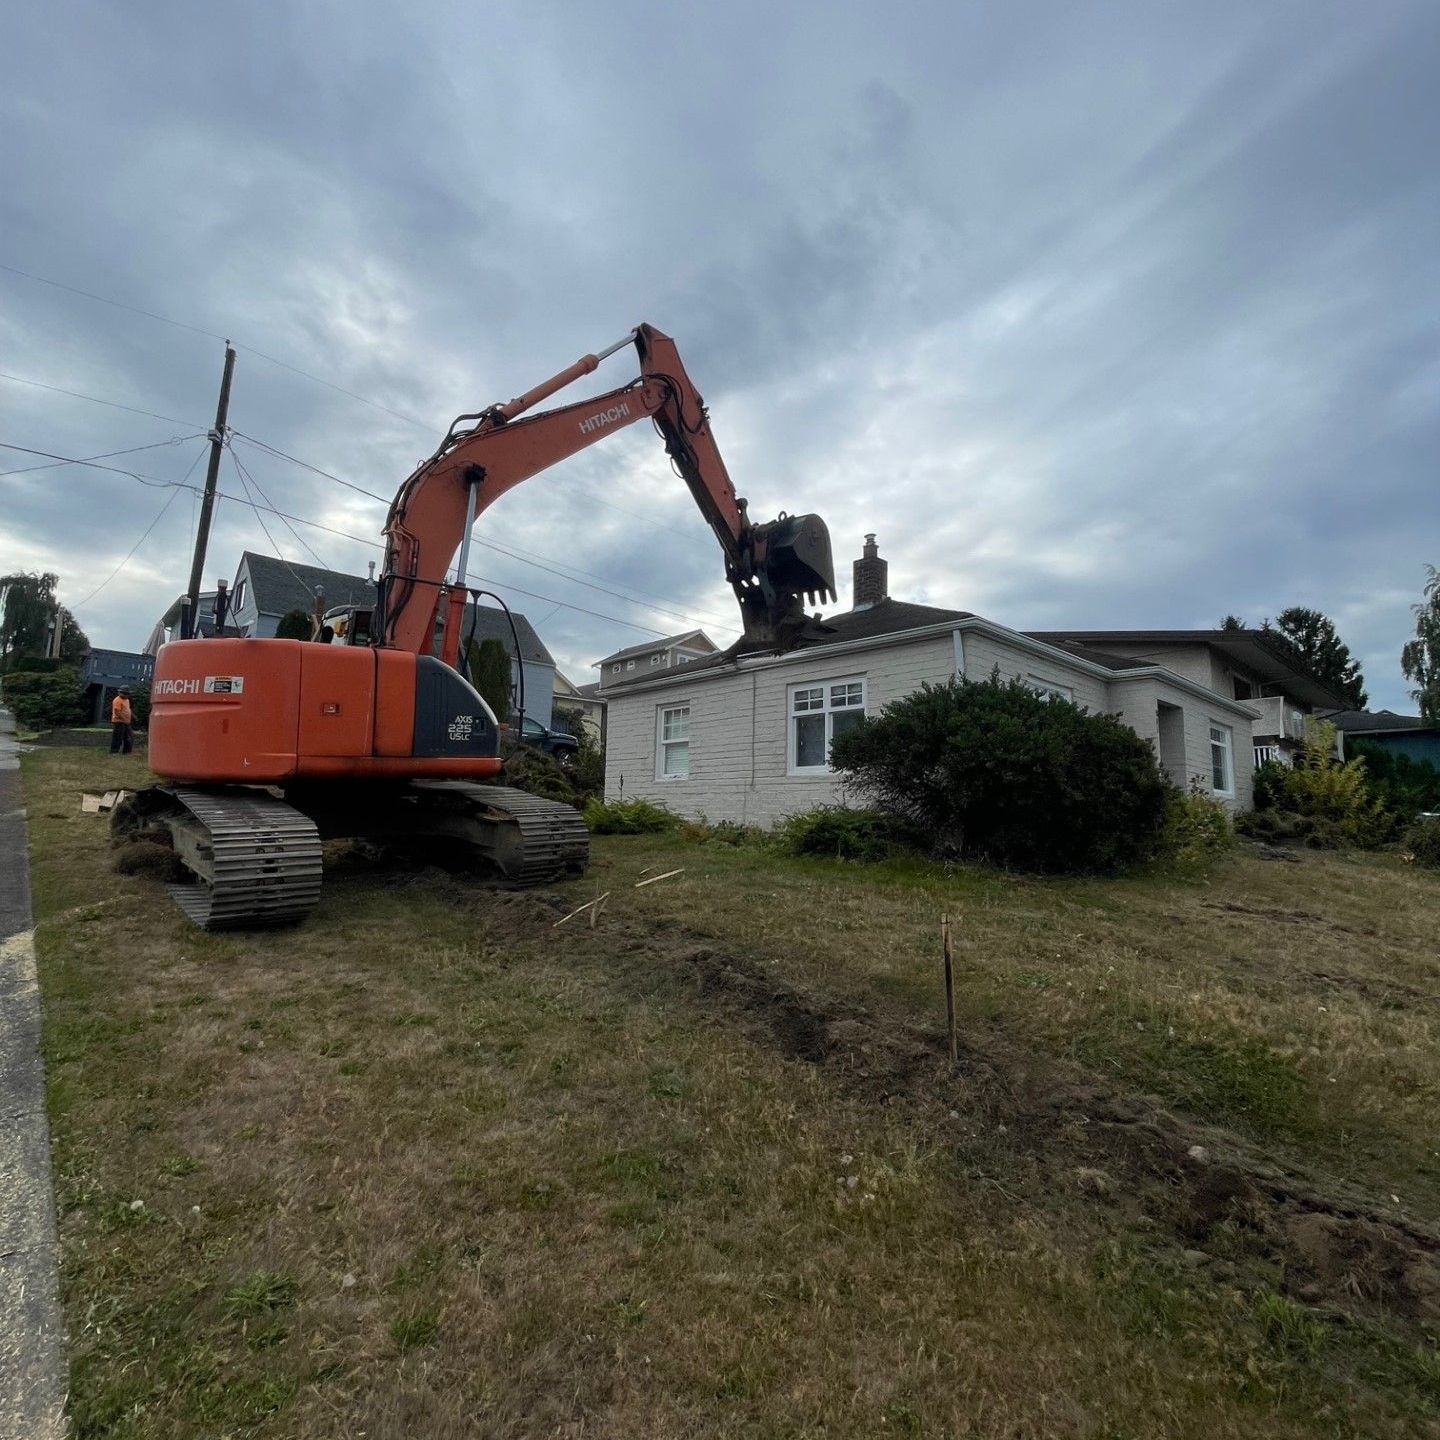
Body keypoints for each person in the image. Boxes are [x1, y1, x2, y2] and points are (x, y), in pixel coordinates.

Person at [109, 686, 134, 755]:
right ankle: (114, 752)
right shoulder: (117, 700)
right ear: (120, 693)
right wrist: (124, 719)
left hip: (126, 722)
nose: (127, 695)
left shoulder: (127, 700)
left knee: (128, 737)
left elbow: (127, 709)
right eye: (125, 694)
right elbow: (117, 712)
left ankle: (127, 752)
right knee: (118, 737)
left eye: (128, 694)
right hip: (119, 722)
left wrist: (132, 716)